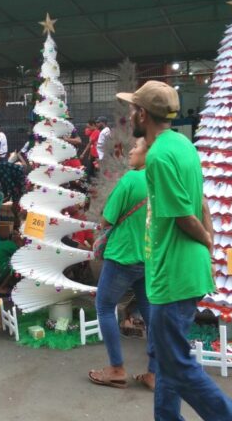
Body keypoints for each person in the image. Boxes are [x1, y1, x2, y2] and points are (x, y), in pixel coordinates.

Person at [118, 81, 232, 421]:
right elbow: (202, 201)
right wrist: (210, 241)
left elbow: (181, 216)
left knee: (177, 366)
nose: (130, 114)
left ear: (143, 114)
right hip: (182, 269)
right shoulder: (183, 145)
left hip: (173, 273)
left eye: (133, 109)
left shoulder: (160, 155)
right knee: (166, 361)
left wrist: (206, 239)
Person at [88, 137, 156, 391]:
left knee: (105, 306)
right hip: (148, 257)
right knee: (151, 314)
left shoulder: (131, 179)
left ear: (148, 152)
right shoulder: (161, 181)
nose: (130, 151)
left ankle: (116, 368)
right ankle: (154, 373)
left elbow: (107, 219)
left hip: (123, 255)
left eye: (136, 147)